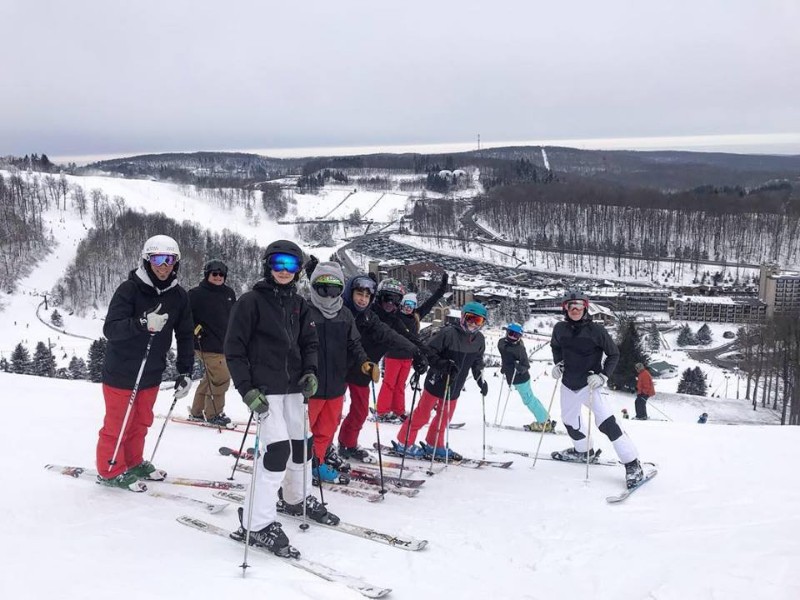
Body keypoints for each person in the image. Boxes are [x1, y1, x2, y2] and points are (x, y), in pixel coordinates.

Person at [224, 240, 334, 557]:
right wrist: (247, 390)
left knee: (302, 448)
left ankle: (295, 498)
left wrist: (310, 371)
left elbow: (309, 343)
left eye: (290, 265)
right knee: (276, 454)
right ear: (267, 266)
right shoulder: (250, 303)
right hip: (265, 392)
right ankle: (256, 523)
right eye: (278, 263)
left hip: (294, 391)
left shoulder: (299, 306)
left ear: (299, 270)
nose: (284, 271)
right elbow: (234, 350)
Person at [95, 234, 194, 492]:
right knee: (118, 423)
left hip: (151, 372)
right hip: (122, 371)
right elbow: (111, 328)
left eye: (169, 260)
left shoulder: (179, 296)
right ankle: (110, 469)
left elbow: (185, 335)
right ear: (147, 261)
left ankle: (134, 462)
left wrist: (185, 371)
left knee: (141, 421)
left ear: (176, 263)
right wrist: (141, 323)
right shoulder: (129, 289)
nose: (163, 266)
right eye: (157, 259)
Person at [550, 290, 644, 489]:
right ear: (565, 308)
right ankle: (583, 451)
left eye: (579, 306)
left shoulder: (596, 331)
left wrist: (602, 376)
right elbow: (556, 347)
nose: (575, 310)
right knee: (569, 421)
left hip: (591, 385)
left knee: (607, 423)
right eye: (570, 306)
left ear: (586, 307)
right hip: (568, 384)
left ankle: (632, 464)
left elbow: (614, 354)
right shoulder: (559, 329)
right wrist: (558, 364)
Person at [337, 274, 422, 461]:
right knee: (333, 413)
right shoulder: (363, 311)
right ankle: (322, 449)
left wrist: (420, 354)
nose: (389, 305)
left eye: (395, 301)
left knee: (359, 411)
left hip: (364, 370)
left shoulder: (391, 321)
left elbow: (406, 339)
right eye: (386, 299)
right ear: (379, 298)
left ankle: (347, 443)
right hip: (341, 368)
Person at [304, 260, 374, 483]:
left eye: (334, 288)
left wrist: (364, 362)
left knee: (327, 427)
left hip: (335, 383)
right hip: (310, 385)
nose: (328, 293)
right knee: (304, 429)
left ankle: (317, 462)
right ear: (314, 287)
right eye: (322, 288)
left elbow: (354, 343)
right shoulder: (304, 311)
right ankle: (297, 465)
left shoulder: (344, 314)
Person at [393, 301, 488, 461]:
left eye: (478, 321)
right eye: (470, 318)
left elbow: (477, 360)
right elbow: (429, 351)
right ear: (463, 317)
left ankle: (434, 444)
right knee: (422, 415)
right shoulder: (449, 333)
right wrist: (442, 365)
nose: (473, 324)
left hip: (455, 386)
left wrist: (480, 379)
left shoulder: (479, 340)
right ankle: (405, 441)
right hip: (437, 381)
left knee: (444, 418)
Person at [374, 275, 445, 420]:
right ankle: (382, 410)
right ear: (400, 304)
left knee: (400, 385)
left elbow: (430, 303)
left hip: (408, 357)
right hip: (393, 355)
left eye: (411, 306)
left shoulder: (415, 316)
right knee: (389, 384)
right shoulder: (396, 316)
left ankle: (398, 410)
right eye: (405, 305)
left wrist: (440, 291)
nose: (408, 309)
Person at [188, 259, 236, 426]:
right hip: (206, 344)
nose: (218, 277)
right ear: (207, 274)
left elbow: (234, 316)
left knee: (210, 378)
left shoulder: (229, 293)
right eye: (214, 274)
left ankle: (196, 412)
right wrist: (195, 329)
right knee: (222, 377)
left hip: (224, 343)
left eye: (221, 274)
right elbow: (185, 317)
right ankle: (214, 414)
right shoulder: (196, 294)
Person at [498, 322, 553, 431]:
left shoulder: (519, 349)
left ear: (520, 336)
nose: (513, 337)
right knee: (530, 399)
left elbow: (526, 365)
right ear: (507, 332)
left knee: (529, 400)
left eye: (516, 335)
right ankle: (545, 418)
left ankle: (544, 422)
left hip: (521, 379)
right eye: (511, 333)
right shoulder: (501, 343)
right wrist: (505, 367)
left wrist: (520, 368)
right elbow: (506, 357)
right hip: (512, 377)